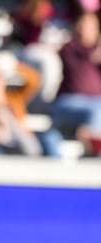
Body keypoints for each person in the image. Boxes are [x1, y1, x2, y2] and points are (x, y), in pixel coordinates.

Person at [52, 11, 101, 156]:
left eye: (91, 26)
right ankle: (94, 151)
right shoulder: (70, 49)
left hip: (95, 104)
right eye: (83, 24)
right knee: (97, 110)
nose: (86, 28)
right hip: (67, 103)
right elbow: (76, 70)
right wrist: (94, 55)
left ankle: (91, 139)